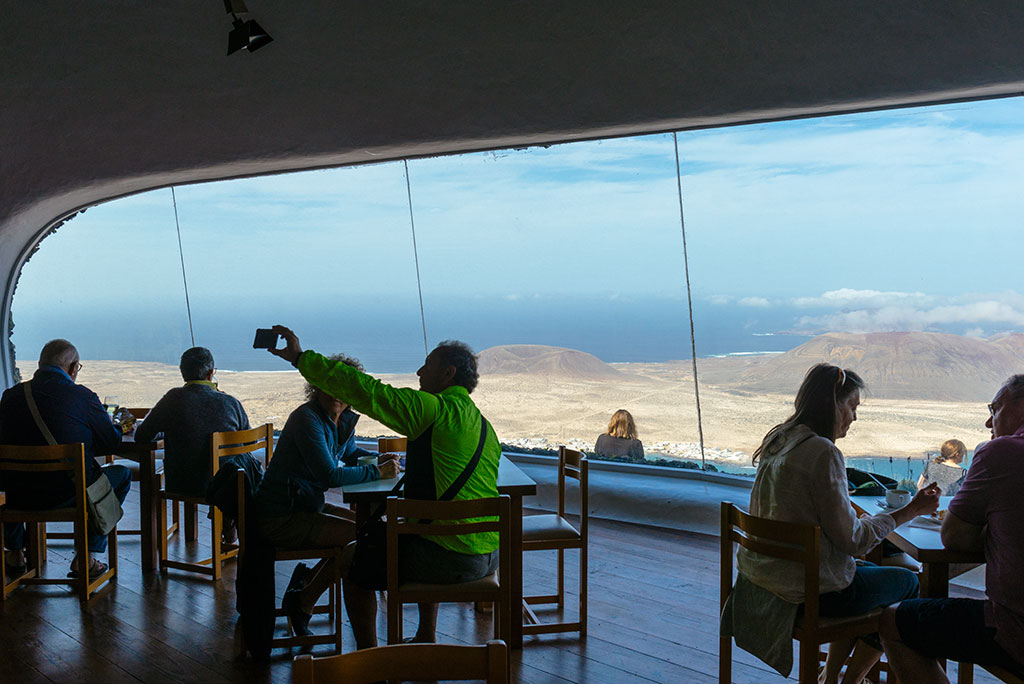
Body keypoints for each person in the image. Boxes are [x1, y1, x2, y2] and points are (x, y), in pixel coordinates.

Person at [267, 325, 500, 648]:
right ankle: (425, 635)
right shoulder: (483, 425)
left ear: (448, 373)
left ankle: (370, 660)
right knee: (414, 531)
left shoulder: (433, 410)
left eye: (428, 364)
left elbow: (367, 391)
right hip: (487, 555)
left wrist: (300, 358)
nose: (419, 371)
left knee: (355, 556)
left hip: (448, 557)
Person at [735, 363, 939, 684]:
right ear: (832, 405)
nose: (854, 417)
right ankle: (850, 680)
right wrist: (911, 510)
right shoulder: (823, 452)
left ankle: (830, 677)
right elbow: (854, 542)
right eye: (852, 406)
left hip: (767, 578)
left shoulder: (779, 438)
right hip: (809, 591)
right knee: (909, 583)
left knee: (865, 573)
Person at [880, 375, 1024, 682]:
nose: (989, 422)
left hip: (1015, 630)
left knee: (893, 621)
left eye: (995, 408)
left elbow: (954, 536)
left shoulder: (1001, 452)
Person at [254, 354, 401, 635]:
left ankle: (306, 586)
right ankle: (303, 599)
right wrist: (378, 472)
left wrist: (379, 459)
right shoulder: (306, 419)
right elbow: (329, 475)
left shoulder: (339, 419)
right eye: (329, 384)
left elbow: (350, 454)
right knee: (360, 542)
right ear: (316, 385)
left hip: (307, 505)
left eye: (342, 386)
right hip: (282, 515)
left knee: (366, 531)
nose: (335, 393)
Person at [0, 339, 131, 579]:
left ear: (40, 365)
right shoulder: (82, 397)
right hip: (67, 494)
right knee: (122, 474)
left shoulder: (10, 397)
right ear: (73, 368)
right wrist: (117, 427)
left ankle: (15, 552)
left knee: (13, 477)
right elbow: (111, 442)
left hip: (18, 497)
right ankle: (86, 557)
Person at [134, 346, 256, 542]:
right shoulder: (231, 403)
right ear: (211, 373)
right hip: (227, 486)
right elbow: (249, 442)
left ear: (182, 373)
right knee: (231, 469)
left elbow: (142, 436)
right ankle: (230, 516)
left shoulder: (173, 399)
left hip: (183, 483)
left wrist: (170, 431)